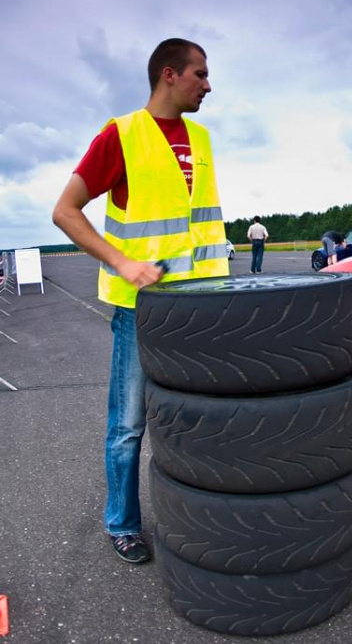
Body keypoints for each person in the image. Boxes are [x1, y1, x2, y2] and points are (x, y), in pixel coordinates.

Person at [52, 38, 229, 564]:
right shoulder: (121, 135)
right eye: (200, 74)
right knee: (129, 424)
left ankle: (199, 516)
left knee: (197, 417)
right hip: (141, 308)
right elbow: (65, 211)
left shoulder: (200, 138)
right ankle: (122, 524)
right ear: (169, 75)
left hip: (199, 304)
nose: (208, 85)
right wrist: (122, 262)